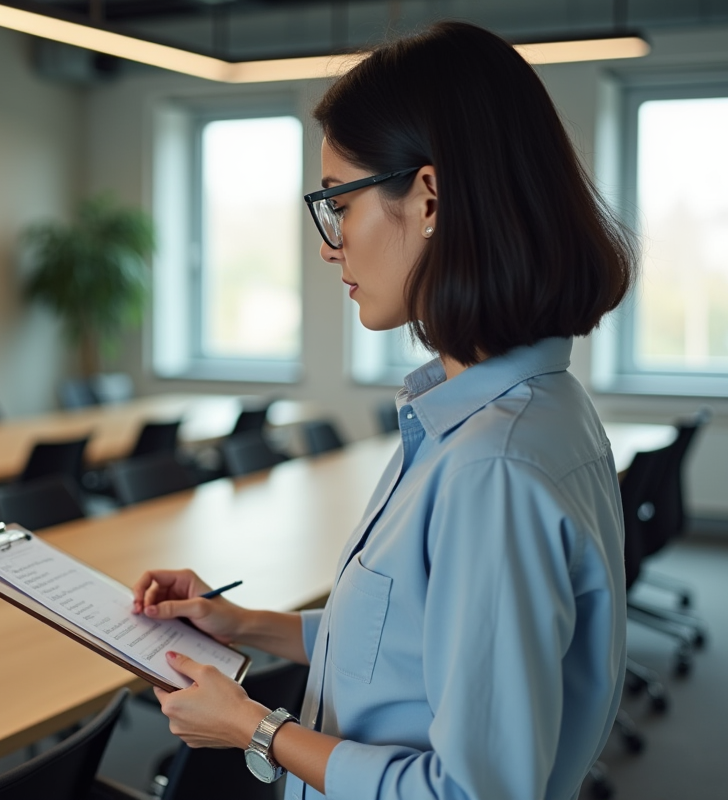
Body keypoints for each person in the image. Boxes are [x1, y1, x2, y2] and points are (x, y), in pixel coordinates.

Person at [131, 20, 635, 800]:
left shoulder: (491, 468)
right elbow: (406, 647)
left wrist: (254, 729)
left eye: (339, 201)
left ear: (428, 198)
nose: (329, 243)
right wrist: (240, 624)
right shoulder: (518, 409)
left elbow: (469, 793)